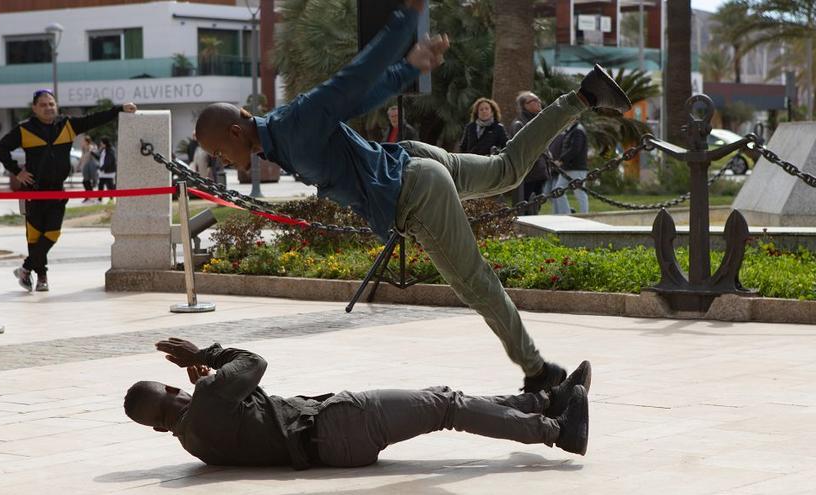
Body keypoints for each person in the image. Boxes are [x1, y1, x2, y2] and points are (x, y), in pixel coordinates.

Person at [192, 1, 630, 392]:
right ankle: (586, 95)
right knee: (505, 169)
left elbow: (353, 80)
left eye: (218, 151)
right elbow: (359, 96)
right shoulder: (281, 137)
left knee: (476, 284)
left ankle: (540, 375)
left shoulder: (293, 126)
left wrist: (407, 18)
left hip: (415, 191)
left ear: (235, 131)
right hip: (409, 162)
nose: (222, 161)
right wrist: (409, 67)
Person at [124, 337, 592, 469]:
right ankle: (557, 432)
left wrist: (215, 386)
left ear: (156, 427)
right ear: (169, 391)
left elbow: (242, 412)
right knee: (445, 404)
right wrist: (207, 357)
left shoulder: (193, 444)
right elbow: (254, 361)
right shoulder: (206, 396)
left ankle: (543, 400)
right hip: (339, 423)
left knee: (448, 401)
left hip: (330, 450)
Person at [0, 89, 136, 292]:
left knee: (52, 234)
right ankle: (41, 277)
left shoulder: (68, 125)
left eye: (51, 104)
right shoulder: (24, 129)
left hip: (57, 191)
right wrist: (17, 171)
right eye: (43, 105)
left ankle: (25, 269)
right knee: (34, 237)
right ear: (34, 108)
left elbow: (94, 119)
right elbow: (1, 149)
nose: (48, 108)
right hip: (34, 191)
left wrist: (119, 109)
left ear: (56, 106)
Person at [510, 91, 552, 214]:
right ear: (524, 105)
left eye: (538, 99)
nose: (538, 102)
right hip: (529, 172)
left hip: (540, 171)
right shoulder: (520, 123)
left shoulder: (540, 120)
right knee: (526, 204)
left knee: (536, 204)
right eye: (533, 101)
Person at [550, 121, 589, 215]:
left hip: (576, 168)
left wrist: (561, 160)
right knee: (558, 190)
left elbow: (575, 149)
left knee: (579, 193)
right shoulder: (572, 130)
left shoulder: (577, 131)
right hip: (567, 167)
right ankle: (566, 213)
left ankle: (585, 215)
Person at [80, 135, 100, 204]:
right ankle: (89, 196)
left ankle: (89, 197)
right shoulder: (84, 149)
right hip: (85, 166)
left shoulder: (91, 148)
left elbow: (93, 156)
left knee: (86, 182)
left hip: (90, 166)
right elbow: (82, 157)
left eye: (84, 141)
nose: (82, 142)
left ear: (86, 141)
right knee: (86, 182)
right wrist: (80, 165)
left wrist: (89, 150)